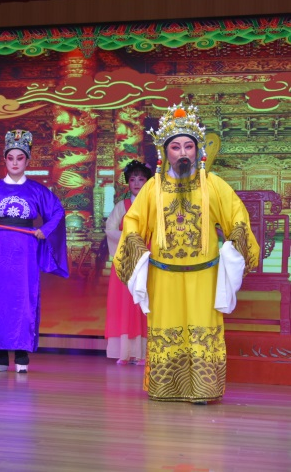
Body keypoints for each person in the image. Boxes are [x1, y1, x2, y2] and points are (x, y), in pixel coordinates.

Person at [114, 104, 259, 404]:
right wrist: (138, 250)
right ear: (164, 152)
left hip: (204, 276)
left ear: (197, 150)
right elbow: (133, 223)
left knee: (203, 331)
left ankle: (203, 389)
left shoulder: (213, 185)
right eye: (176, 146)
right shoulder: (153, 188)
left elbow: (238, 219)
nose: (183, 153)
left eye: (188, 146)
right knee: (166, 329)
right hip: (164, 275)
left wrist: (233, 248)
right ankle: (166, 387)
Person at [0, 129, 68, 373]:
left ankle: (22, 350)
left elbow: (57, 211)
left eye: (20, 158)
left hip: (26, 251)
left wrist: (45, 229)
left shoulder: (36, 190)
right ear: (5, 160)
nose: (15, 163)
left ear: (27, 160)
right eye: (10, 158)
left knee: (25, 297)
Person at [105, 160, 152, 365]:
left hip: (148, 260)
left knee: (144, 305)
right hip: (125, 262)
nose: (137, 183)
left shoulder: (154, 206)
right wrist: (129, 237)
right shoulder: (121, 206)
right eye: (133, 179)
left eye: (141, 179)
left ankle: (144, 353)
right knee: (124, 306)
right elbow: (110, 229)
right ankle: (124, 352)